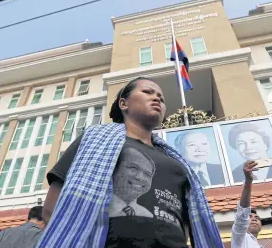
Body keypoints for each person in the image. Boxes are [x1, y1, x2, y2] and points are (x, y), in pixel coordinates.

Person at [37, 77, 223, 248]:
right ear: (123, 103)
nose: (157, 98)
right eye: (147, 92)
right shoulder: (93, 141)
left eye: (161, 98)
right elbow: (52, 208)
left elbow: (184, 220)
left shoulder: (176, 161)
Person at [231, 161, 263, 248]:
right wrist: (248, 181)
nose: (254, 219)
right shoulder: (240, 238)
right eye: (250, 217)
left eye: (257, 218)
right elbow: (242, 216)